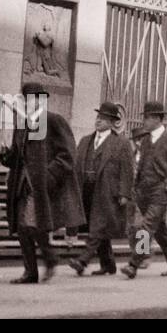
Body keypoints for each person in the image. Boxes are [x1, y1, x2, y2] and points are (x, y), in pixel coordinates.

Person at [0, 83, 85, 284]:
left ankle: (48, 259)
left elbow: (68, 155)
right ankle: (34, 270)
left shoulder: (54, 120)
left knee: (30, 224)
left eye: (28, 99)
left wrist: (49, 176)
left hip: (42, 185)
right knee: (23, 228)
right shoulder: (22, 125)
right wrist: (6, 156)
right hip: (22, 184)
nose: (25, 103)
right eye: (24, 99)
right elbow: (17, 157)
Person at [122, 99, 167, 279]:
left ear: (158, 119)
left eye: (147, 118)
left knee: (146, 227)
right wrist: (136, 187)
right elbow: (141, 165)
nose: (144, 122)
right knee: (159, 230)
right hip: (144, 192)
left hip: (160, 191)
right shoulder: (147, 140)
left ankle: (134, 263)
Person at [69, 103, 133, 277]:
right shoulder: (85, 141)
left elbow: (127, 170)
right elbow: (76, 166)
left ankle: (82, 260)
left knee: (98, 226)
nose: (99, 121)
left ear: (112, 123)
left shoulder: (121, 143)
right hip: (87, 190)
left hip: (107, 192)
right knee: (97, 226)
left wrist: (125, 193)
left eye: (104, 119)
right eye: (98, 117)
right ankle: (108, 265)